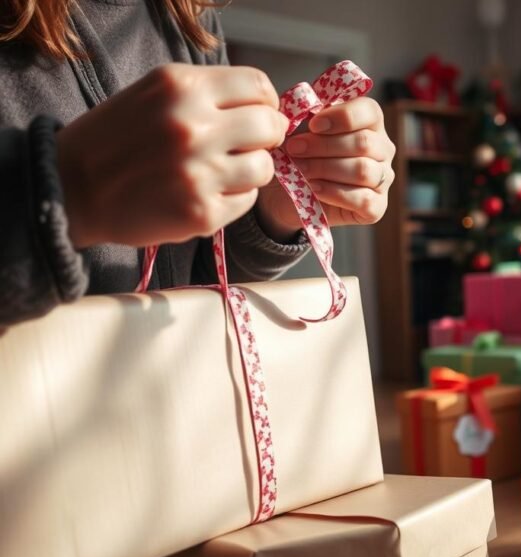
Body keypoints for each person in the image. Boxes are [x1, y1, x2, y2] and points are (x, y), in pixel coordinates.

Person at [0, 0, 395, 328]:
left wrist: (270, 211)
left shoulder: (188, 17)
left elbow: (196, 280)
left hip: (164, 404)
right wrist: (69, 189)